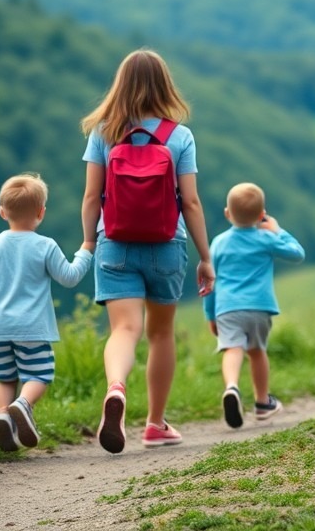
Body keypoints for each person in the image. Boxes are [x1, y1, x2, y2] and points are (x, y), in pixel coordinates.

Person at [79, 48, 215, 454]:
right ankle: (155, 424)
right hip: (166, 244)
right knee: (160, 334)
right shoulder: (179, 136)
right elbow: (190, 202)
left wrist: (89, 239)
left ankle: (117, 388)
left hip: (115, 242)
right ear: (164, 85)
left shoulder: (103, 131)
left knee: (125, 330)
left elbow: (91, 196)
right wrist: (206, 257)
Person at [0, 173, 93, 452]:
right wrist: (86, 250)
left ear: (2, 212)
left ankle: (3, 415)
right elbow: (69, 277)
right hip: (33, 329)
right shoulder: (45, 245)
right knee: (39, 376)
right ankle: (23, 405)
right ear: (41, 212)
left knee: (5, 378)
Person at [203, 182, 306, 428]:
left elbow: (209, 280)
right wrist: (277, 231)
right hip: (259, 307)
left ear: (228, 213)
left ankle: (232, 387)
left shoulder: (218, 243)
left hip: (227, 308)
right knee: (257, 352)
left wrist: (210, 313)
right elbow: (297, 253)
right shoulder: (266, 239)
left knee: (232, 349)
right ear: (262, 215)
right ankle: (262, 402)